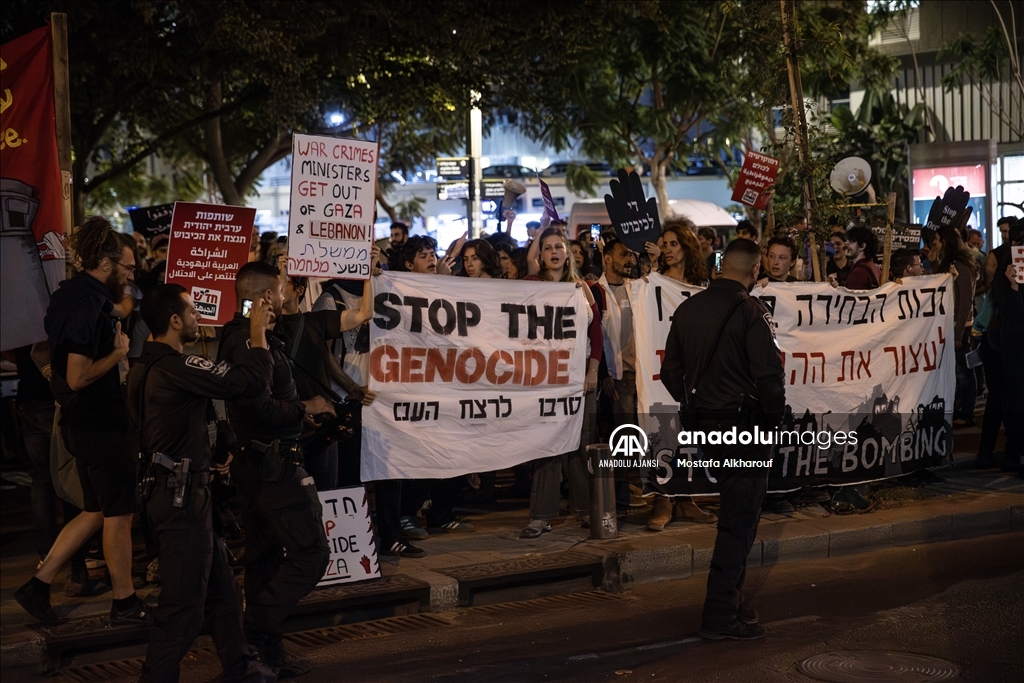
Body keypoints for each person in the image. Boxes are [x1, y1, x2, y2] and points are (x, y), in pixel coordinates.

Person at [129, 284, 276, 683]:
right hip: (182, 502)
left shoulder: (147, 367)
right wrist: (258, 336)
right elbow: (248, 385)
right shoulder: (175, 367)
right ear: (175, 321)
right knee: (182, 609)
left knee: (222, 592)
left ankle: (241, 667)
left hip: (178, 496)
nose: (199, 317)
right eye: (193, 311)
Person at [15, 218, 149, 626]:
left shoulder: (70, 295)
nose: (131, 276)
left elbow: (43, 355)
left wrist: (58, 388)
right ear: (106, 264)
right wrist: (117, 354)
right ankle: (125, 603)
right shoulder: (89, 304)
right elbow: (77, 374)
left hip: (81, 422)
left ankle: (38, 586)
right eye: (127, 269)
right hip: (100, 424)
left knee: (95, 510)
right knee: (119, 514)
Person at [660, 238, 785, 640]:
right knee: (738, 521)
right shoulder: (751, 311)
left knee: (737, 513)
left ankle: (730, 601)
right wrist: (773, 424)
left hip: (706, 428)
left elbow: (669, 374)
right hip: (744, 430)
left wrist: (695, 403)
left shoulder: (687, 308)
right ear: (753, 271)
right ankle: (718, 614)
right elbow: (769, 377)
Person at [217, 260, 333, 677]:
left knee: (264, 559)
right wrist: (306, 406)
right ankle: (257, 627)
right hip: (272, 468)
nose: (287, 290)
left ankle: (266, 653)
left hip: (262, 464)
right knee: (313, 554)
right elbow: (259, 407)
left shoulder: (258, 337)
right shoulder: (247, 343)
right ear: (266, 296)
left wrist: (303, 417)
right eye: (282, 285)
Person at [519, 227, 603, 537]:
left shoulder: (583, 288)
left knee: (582, 444)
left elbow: (597, 335)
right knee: (548, 445)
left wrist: (592, 371)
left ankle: (585, 510)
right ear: (540, 255)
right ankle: (541, 516)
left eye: (559, 246)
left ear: (567, 252)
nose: (554, 252)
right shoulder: (531, 285)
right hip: (546, 375)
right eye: (548, 247)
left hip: (580, 374)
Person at [275, 266, 376, 490]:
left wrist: (367, 274)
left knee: (325, 489)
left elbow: (364, 314)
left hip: (321, 422)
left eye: (284, 284)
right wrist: (283, 269)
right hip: (287, 421)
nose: (277, 289)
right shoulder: (267, 327)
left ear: (299, 290)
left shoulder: (316, 322)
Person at [930, 226, 979, 428]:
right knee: (958, 369)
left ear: (946, 241)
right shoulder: (954, 263)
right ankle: (961, 410)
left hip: (961, 326)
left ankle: (966, 413)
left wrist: (958, 332)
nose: (935, 244)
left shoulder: (960, 265)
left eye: (937, 241)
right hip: (955, 325)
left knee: (963, 370)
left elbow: (965, 300)